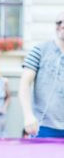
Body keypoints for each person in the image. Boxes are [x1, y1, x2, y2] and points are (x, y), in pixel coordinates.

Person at [19, 11, 64, 139]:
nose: (62, 25)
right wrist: (28, 115)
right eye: (59, 22)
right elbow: (24, 84)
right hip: (43, 126)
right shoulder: (39, 50)